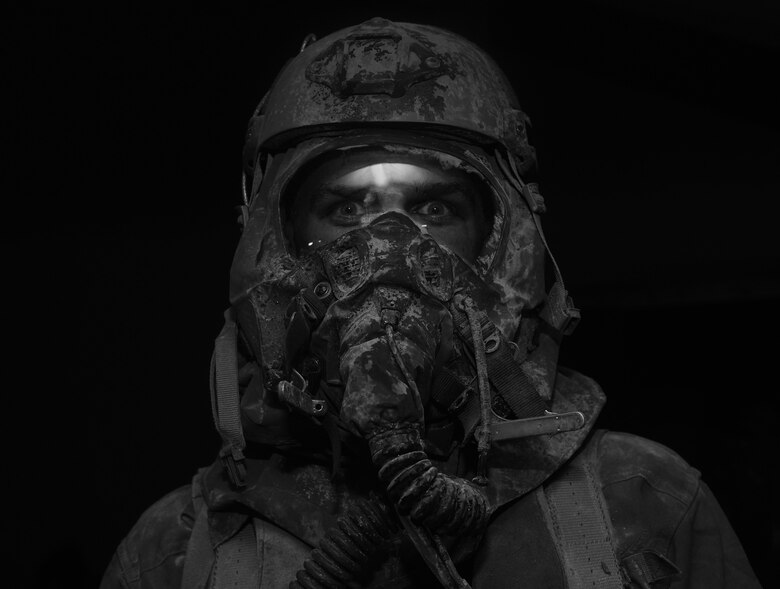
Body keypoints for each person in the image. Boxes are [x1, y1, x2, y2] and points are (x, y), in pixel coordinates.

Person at [100, 17, 762, 589]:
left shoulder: (645, 505)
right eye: (346, 206)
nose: (389, 244)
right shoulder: (176, 550)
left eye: (434, 206)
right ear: (275, 247)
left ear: (500, 246)